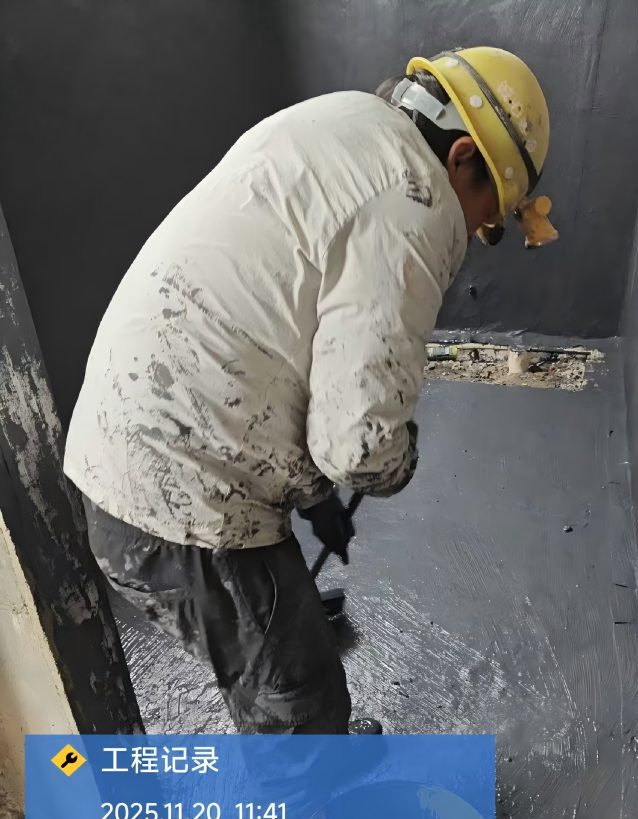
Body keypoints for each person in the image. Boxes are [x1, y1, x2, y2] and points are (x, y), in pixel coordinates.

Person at [64, 46, 552, 736]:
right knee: (296, 696)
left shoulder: (345, 120)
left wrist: (317, 502)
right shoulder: (417, 200)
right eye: (485, 212)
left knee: (272, 656)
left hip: (127, 436)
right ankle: (314, 799)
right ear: (462, 155)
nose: (473, 232)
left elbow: (281, 310)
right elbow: (359, 447)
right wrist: (399, 456)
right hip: (180, 501)